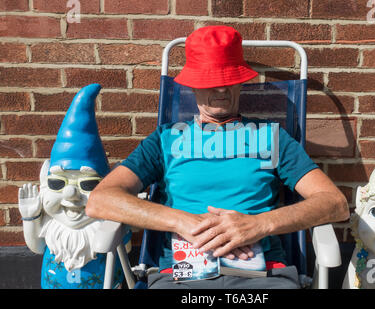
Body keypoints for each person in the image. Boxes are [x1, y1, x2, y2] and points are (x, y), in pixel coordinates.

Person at [86, 25, 349, 289]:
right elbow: (101, 200)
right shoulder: (166, 140)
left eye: (229, 78)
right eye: (211, 79)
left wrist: (259, 224)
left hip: (262, 275)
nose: (221, 88)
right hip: (182, 275)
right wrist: (182, 221)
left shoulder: (271, 137)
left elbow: (334, 203)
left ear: (240, 81)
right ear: (192, 84)